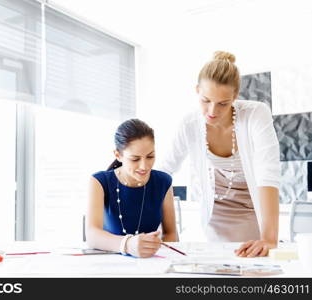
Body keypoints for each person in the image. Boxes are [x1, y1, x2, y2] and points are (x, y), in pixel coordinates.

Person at [160, 51, 280, 257]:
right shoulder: (189, 124)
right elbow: (163, 173)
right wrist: (164, 230)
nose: (212, 111)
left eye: (223, 103)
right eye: (205, 100)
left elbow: (267, 172)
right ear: (197, 91)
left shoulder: (256, 114)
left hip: (254, 208)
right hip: (216, 213)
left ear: (235, 96)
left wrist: (269, 239)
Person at [86, 119, 178, 258]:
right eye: (135, 159)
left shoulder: (163, 181)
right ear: (118, 155)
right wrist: (128, 245)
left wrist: (158, 253)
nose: (144, 166)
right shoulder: (100, 181)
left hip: (150, 262)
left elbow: (171, 234)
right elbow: (92, 235)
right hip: (109, 263)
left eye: (150, 156)